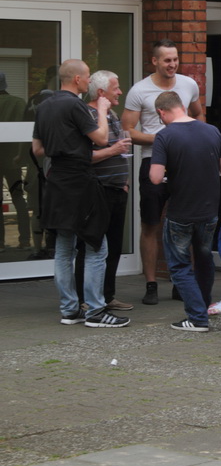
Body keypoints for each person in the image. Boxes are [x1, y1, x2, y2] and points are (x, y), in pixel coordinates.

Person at [32, 59, 128, 328]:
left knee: (64, 248)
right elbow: (101, 138)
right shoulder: (76, 105)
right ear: (76, 79)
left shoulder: (44, 106)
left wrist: (61, 149)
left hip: (57, 182)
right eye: (87, 77)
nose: (88, 82)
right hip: (80, 181)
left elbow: (38, 149)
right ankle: (96, 311)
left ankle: (69, 310)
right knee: (97, 245)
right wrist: (102, 110)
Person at [122, 39, 203, 305]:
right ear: (155, 61)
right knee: (150, 223)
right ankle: (151, 284)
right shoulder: (139, 90)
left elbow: (198, 115)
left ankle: (182, 283)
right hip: (152, 162)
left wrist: (192, 140)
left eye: (175, 59)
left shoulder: (189, 85)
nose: (173, 64)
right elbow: (127, 131)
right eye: (167, 60)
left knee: (185, 223)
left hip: (184, 164)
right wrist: (163, 139)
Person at [150, 91, 221, 332]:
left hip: (180, 212)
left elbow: (155, 177)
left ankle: (197, 317)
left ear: (161, 112)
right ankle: (202, 307)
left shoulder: (164, 136)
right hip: (209, 211)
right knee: (204, 259)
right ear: (183, 106)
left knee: (179, 266)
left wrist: (169, 172)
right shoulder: (211, 131)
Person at [74, 71, 133, 312]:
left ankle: (107, 296)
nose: (120, 92)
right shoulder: (87, 116)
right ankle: (84, 299)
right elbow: (83, 156)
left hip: (117, 189)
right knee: (91, 244)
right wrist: (113, 151)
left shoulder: (111, 114)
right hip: (98, 191)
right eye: (115, 88)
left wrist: (124, 182)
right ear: (101, 92)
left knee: (114, 246)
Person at [0, 72, 30, 252]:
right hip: (13, 159)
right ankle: (25, 241)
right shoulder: (18, 103)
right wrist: (21, 155)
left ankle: (0, 244)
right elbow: (25, 133)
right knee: (18, 198)